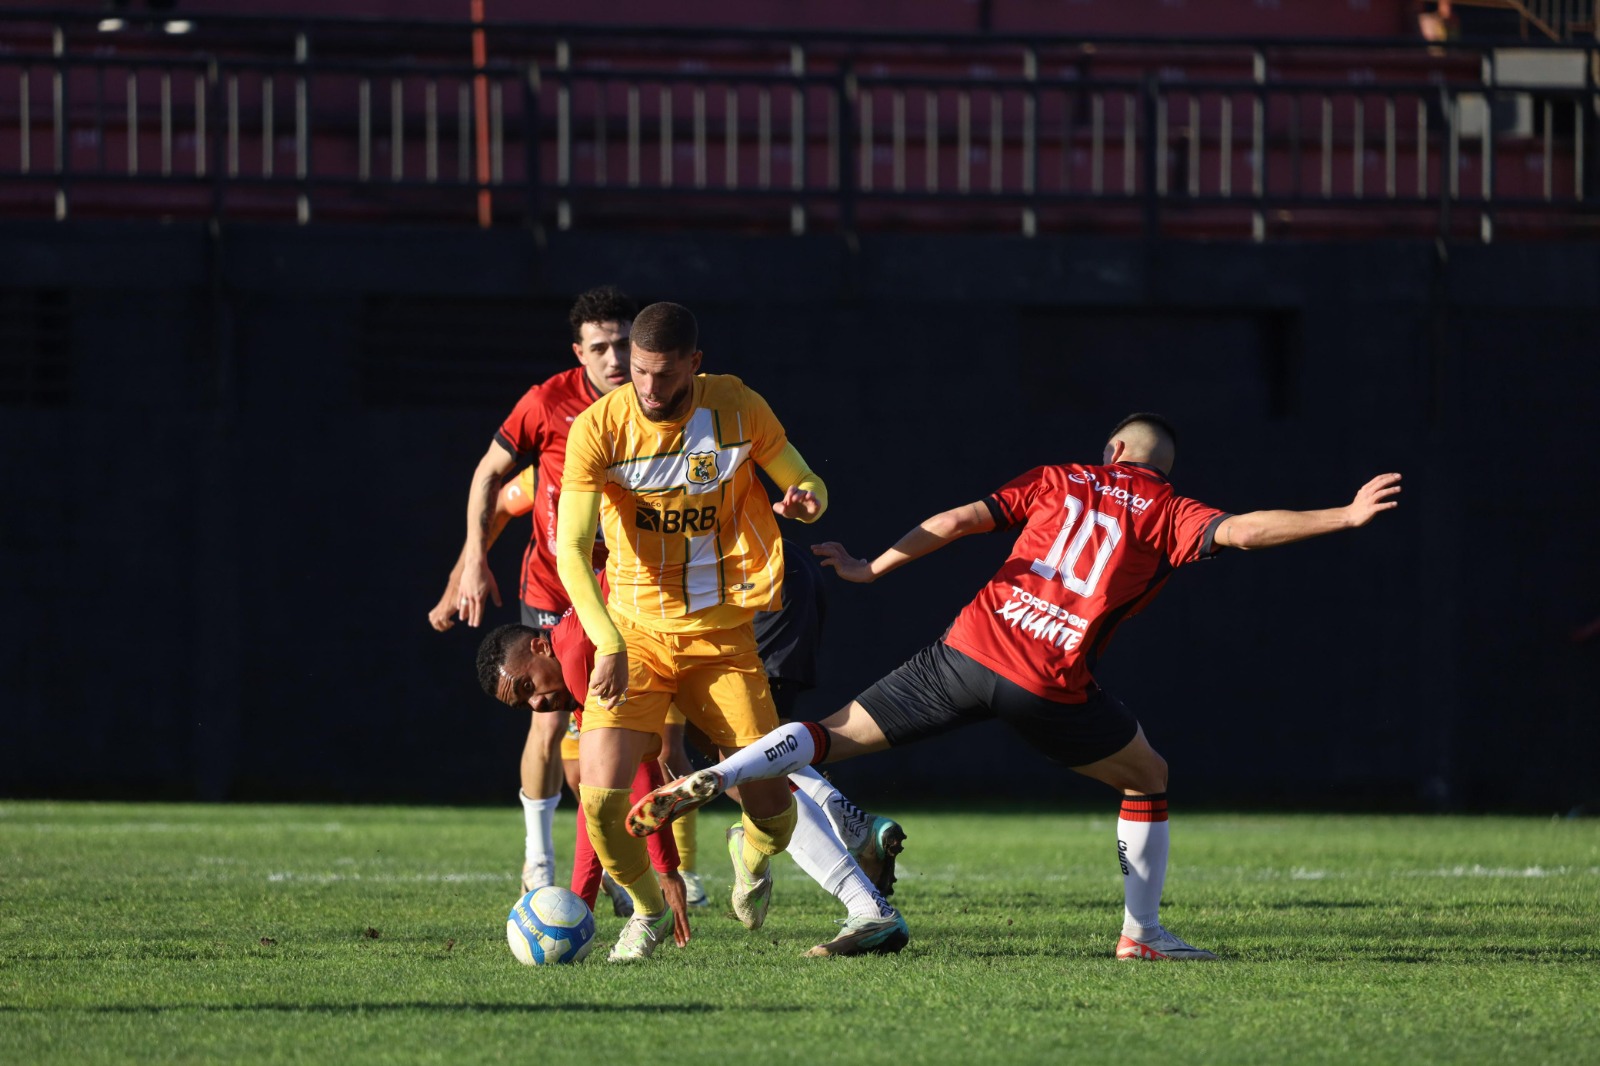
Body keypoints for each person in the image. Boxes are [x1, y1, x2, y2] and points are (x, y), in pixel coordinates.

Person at [630, 413, 1403, 962]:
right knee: (1149, 778)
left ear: (1111, 449)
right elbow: (1242, 530)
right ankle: (1142, 934)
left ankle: (727, 772)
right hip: (1048, 683)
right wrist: (1343, 515)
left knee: (827, 735)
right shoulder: (1166, 508)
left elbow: (960, 519)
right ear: (1162, 469)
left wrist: (872, 568)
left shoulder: (1062, 476)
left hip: (964, 653)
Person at [555, 300, 908, 961]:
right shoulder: (598, 428)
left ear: (695, 363)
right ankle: (649, 914)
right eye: (638, 373)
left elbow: (805, 477)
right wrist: (608, 641)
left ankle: (749, 852)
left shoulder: (737, 407)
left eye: (664, 375)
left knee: (772, 812)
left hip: (723, 638)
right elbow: (570, 551)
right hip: (633, 636)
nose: (649, 389)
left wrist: (807, 498)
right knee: (601, 799)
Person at [429, 285, 636, 894]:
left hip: (623, 590)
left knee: (640, 723)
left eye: (624, 343)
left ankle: (644, 864)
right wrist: (468, 564)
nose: (614, 359)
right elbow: (495, 480)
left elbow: (518, 495)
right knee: (549, 722)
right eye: (600, 347)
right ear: (579, 352)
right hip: (554, 591)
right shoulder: (549, 403)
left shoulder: (655, 405)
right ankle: (538, 861)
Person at [474, 620, 692, 949]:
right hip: (675, 652)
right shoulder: (575, 670)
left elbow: (641, 774)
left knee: (747, 772)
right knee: (604, 788)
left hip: (694, 639)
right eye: (524, 704)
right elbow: (597, 798)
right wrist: (578, 909)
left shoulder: (579, 661)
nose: (536, 705)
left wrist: (668, 872)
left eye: (528, 687)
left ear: (540, 647)